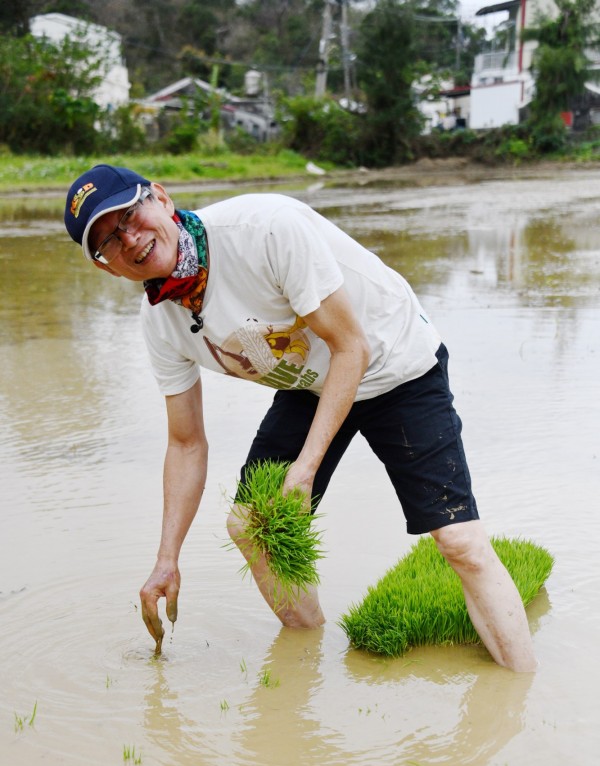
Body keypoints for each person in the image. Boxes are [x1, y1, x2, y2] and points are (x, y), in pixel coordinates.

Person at [64, 164, 537, 672]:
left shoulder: (264, 229)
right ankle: (307, 654)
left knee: (459, 542)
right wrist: (166, 559)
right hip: (311, 381)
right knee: (253, 527)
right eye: (108, 240)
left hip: (391, 358)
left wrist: (305, 467)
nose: (129, 238)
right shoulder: (161, 323)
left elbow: (350, 347)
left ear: (160, 197)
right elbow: (185, 443)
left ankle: (521, 694)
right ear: (106, 267)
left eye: (131, 214)